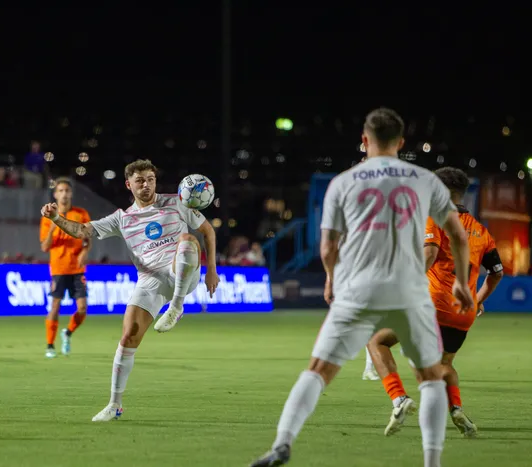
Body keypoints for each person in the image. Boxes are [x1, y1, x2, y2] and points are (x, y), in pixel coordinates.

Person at [251, 108, 474, 467]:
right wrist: (462, 282)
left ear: (364, 140)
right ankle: (432, 461)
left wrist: (330, 278)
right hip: (410, 288)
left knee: (318, 370)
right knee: (430, 377)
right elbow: (459, 236)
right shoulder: (424, 179)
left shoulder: (343, 182)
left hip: (359, 287)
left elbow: (327, 247)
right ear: (401, 143)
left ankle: (283, 442)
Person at [40, 159, 220, 421]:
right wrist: (56, 217)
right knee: (128, 337)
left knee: (187, 240)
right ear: (129, 185)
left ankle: (176, 307)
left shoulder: (178, 201)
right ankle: (115, 404)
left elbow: (207, 232)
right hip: (150, 280)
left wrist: (212, 269)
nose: (146, 184)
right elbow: (81, 230)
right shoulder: (122, 219)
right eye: (140, 181)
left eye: (150, 179)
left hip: (182, 271)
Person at [367, 166, 504, 438]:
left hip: (433, 303)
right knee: (444, 365)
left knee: (377, 341)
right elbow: (497, 272)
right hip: (462, 314)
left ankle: (399, 399)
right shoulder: (481, 231)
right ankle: (456, 409)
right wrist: (476, 300)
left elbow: (429, 255)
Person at [39, 177, 91, 357]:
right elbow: (44, 247)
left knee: (83, 308)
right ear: (55, 194)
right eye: (60, 191)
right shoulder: (47, 217)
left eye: (67, 191)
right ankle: (50, 345)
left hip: (77, 269)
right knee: (55, 307)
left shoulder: (81, 214)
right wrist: (54, 227)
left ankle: (67, 333)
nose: (64, 194)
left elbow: (87, 238)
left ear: (71, 194)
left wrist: (85, 251)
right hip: (59, 269)